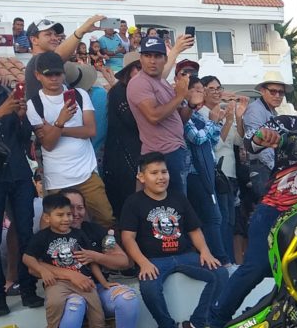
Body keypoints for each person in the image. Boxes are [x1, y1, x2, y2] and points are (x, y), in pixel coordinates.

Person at [210, 74, 297, 328]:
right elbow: (252, 143)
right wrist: (261, 137)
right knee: (256, 268)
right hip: (276, 211)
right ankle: (214, 324)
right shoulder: (289, 123)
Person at [119, 152, 227, 328]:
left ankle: (194, 325)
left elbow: (194, 230)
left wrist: (205, 251)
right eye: (154, 173)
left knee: (220, 274)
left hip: (186, 255)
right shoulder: (134, 202)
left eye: (164, 172)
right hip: (155, 261)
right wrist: (142, 263)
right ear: (141, 177)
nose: (161, 177)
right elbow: (128, 238)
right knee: (149, 288)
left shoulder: (179, 197)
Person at [0, 41, 44, 316]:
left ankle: (28, 289)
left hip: (17, 171)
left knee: (26, 232)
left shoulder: (6, 90)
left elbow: (20, 138)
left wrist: (20, 117)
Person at [23, 194, 111, 328]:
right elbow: (28, 259)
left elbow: (91, 262)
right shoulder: (42, 237)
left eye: (69, 214)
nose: (66, 219)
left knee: (97, 314)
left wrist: (104, 283)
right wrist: (44, 270)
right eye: (60, 215)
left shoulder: (79, 235)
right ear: (47, 218)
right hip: (59, 282)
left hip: (84, 281)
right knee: (54, 303)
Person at [26, 51, 115, 228]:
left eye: (57, 73)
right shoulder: (33, 104)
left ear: (63, 74)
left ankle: (110, 254)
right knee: (57, 225)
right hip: (57, 178)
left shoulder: (80, 95)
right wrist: (61, 120)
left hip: (87, 173)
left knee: (106, 220)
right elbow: (49, 145)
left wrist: (56, 128)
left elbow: (90, 130)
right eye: (48, 74)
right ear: (38, 76)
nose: (53, 78)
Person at [61, 188, 139, 328]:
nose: (76, 212)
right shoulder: (51, 235)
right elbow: (35, 266)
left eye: (80, 207)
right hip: (69, 292)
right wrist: (71, 275)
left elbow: (124, 261)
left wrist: (95, 256)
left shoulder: (95, 231)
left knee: (128, 298)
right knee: (75, 304)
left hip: (99, 289)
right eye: (70, 207)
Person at [127, 35, 192, 196]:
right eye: (147, 56)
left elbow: (178, 119)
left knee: (177, 204)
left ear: (164, 59)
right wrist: (179, 96)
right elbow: (154, 116)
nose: (152, 61)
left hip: (174, 150)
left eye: (157, 56)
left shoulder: (161, 82)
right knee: (171, 204)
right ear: (140, 59)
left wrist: (190, 103)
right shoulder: (139, 82)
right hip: (161, 153)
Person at [200, 75, 247, 265]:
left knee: (230, 221)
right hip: (215, 173)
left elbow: (239, 140)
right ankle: (222, 259)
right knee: (220, 219)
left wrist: (238, 117)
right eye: (212, 88)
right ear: (202, 91)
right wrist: (227, 121)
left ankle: (229, 260)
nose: (217, 92)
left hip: (230, 173)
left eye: (219, 88)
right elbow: (214, 145)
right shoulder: (202, 114)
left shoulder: (223, 111)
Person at [183, 75, 227, 264]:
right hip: (194, 173)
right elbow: (197, 138)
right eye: (199, 90)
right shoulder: (184, 114)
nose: (202, 93)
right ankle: (220, 259)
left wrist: (217, 122)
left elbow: (213, 140)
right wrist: (212, 121)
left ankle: (215, 258)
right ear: (188, 92)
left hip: (205, 172)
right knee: (211, 217)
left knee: (214, 217)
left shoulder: (197, 115)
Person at [24, 15, 106, 101]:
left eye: (55, 35)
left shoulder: (41, 61)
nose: (55, 38)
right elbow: (57, 57)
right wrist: (81, 31)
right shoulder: (37, 61)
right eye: (48, 34)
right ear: (34, 40)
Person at [103, 51, 141, 216]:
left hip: (134, 153)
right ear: (129, 71)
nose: (142, 72)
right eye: (138, 68)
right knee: (127, 207)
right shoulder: (119, 92)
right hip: (122, 157)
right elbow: (132, 122)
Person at [243, 72, 292, 199]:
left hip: (268, 168)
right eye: (273, 91)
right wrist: (275, 169)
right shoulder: (255, 110)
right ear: (262, 91)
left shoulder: (271, 111)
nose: (278, 95)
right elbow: (256, 142)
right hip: (263, 168)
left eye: (281, 92)